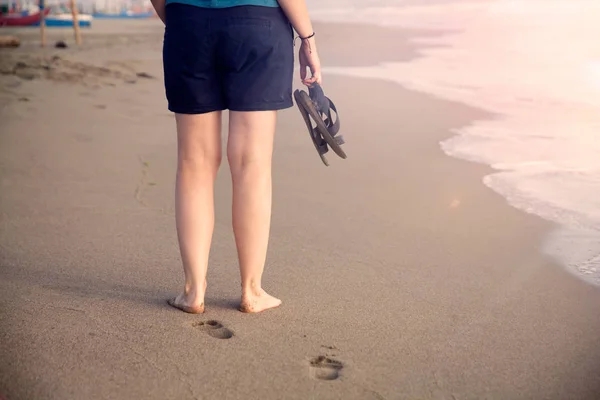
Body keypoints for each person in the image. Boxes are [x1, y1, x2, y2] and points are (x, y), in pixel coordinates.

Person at [149, 0, 322, 313]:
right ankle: (251, 290)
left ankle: (193, 291)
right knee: (251, 163)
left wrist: (180, 19)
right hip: (258, 23)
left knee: (194, 163)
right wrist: (307, 38)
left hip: (188, 22)